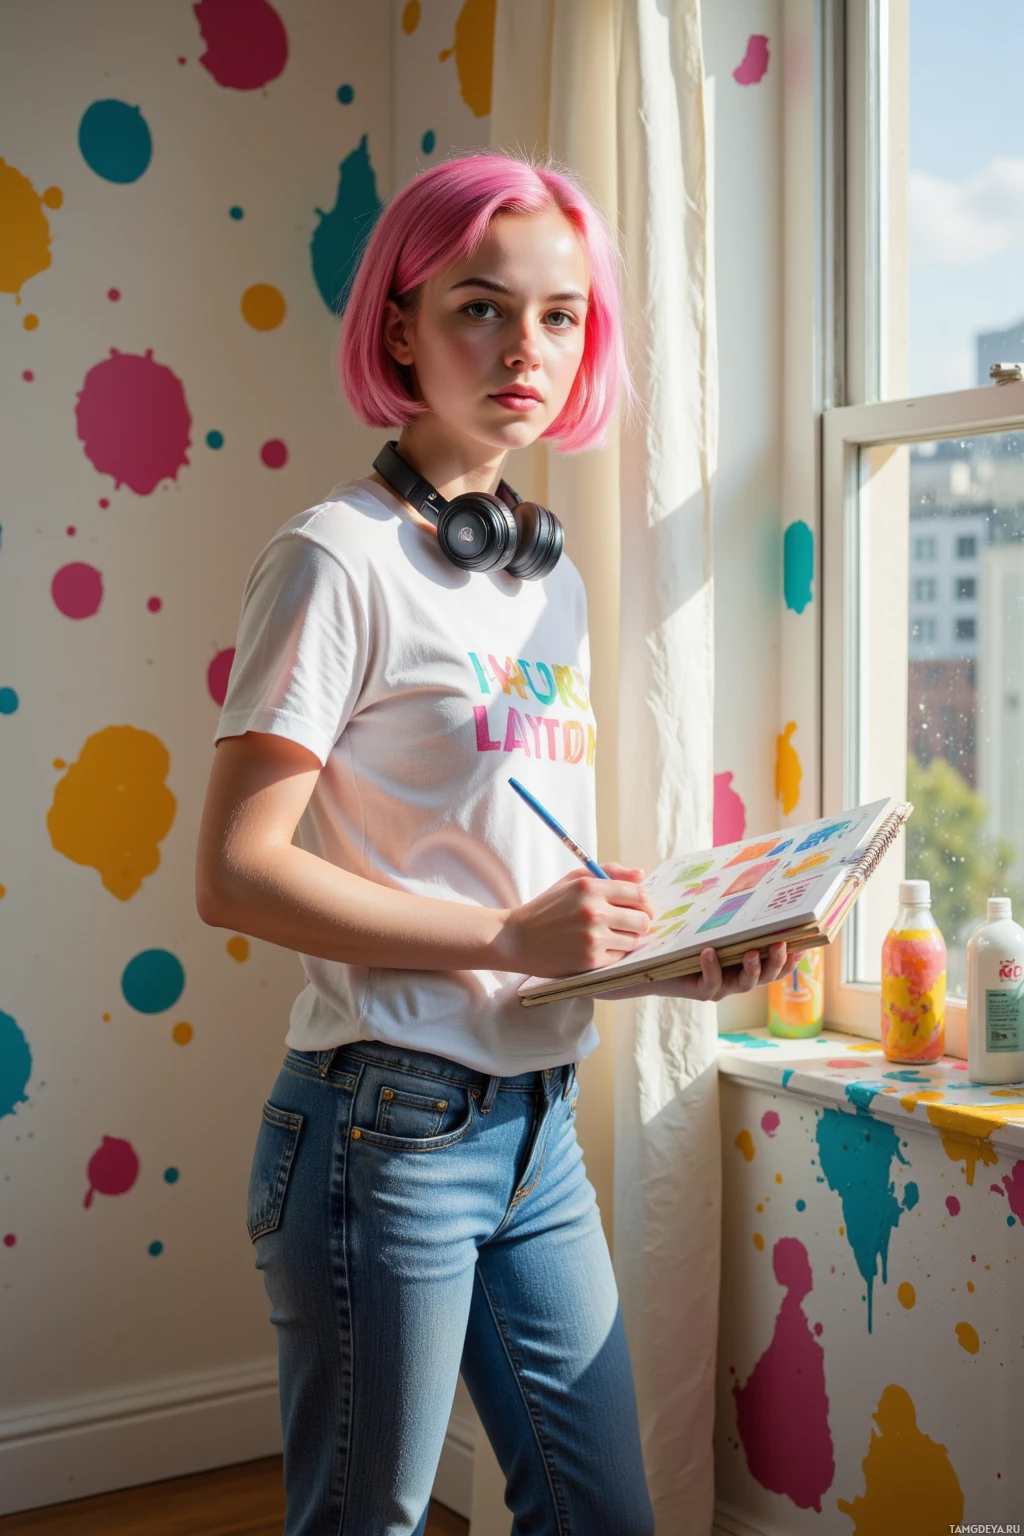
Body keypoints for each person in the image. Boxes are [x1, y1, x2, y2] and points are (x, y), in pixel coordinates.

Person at [195, 151, 800, 1536]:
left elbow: (503, 873)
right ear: (400, 328)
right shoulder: (333, 559)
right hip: (382, 1129)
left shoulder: (550, 579)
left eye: (561, 315)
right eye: (481, 305)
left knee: (605, 1519)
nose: (526, 347)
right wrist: (504, 939)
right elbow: (233, 873)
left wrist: (656, 956)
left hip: (536, 1128)